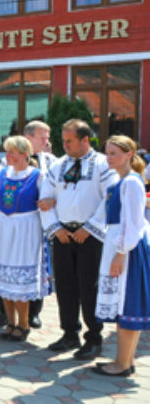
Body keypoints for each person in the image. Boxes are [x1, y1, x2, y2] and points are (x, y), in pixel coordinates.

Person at [39, 119, 117, 360]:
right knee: (65, 286)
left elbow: (110, 198)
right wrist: (55, 227)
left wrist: (91, 227)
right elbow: (45, 198)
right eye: (63, 140)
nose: (65, 145)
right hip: (62, 234)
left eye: (69, 140)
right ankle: (69, 332)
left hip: (89, 237)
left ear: (85, 140)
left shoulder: (104, 164)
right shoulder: (58, 165)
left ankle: (94, 337)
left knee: (88, 287)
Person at [92, 135, 150, 376]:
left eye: (114, 153)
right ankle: (125, 360)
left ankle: (123, 363)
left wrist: (120, 253)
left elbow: (134, 223)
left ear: (128, 154)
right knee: (123, 305)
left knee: (127, 304)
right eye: (107, 152)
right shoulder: (120, 181)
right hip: (121, 245)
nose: (109, 157)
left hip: (127, 249)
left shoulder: (132, 183)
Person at [0, 136, 52, 342]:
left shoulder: (38, 176)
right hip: (4, 227)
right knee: (5, 276)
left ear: (25, 154)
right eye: (7, 151)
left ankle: (23, 324)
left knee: (20, 280)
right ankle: (10, 322)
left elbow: (46, 205)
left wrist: (50, 230)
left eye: (12, 152)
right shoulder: (2, 173)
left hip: (26, 228)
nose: (8, 156)